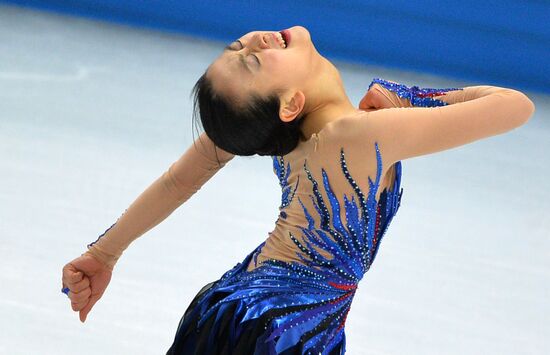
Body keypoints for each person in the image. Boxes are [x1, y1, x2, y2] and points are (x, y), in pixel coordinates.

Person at [61, 26, 535, 354]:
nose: (253, 41)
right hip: (280, 329)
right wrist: (407, 96)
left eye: (236, 46)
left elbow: (178, 179)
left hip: (254, 310)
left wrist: (103, 254)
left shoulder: (286, 134)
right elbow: (514, 106)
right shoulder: (358, 135)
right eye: (250, 62)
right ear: (290, 103)